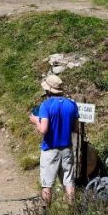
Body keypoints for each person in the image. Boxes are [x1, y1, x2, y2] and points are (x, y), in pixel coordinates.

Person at [29, 74, 79, 206]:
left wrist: (35, 121)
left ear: (48, 90)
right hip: (67, 148)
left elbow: (43, 129)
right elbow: (76, 128)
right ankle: (72, 212)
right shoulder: (72, 105)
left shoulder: (46, 105)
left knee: (47, 185)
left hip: (50, 148)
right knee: (68, 182)